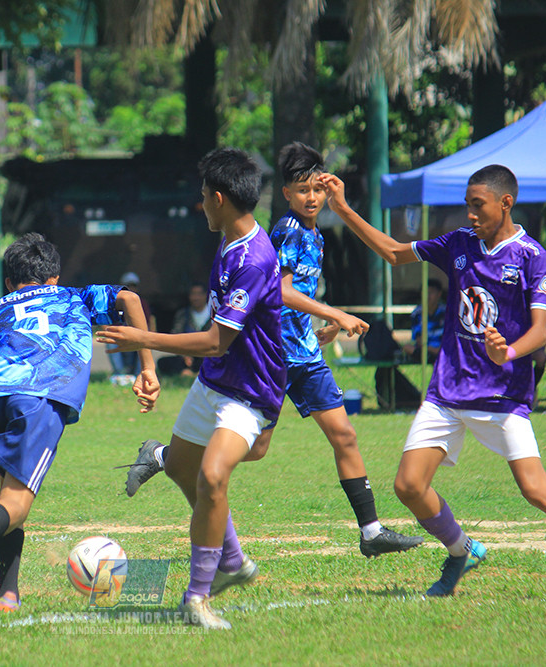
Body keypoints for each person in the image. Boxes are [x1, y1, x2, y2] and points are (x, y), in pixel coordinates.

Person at [328, 164, 546, 599]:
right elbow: (394, 252)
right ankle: (461, 550)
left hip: (502, 395)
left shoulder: (531, 256)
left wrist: (508, 352)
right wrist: (343, 208)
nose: (470, 214)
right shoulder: (459, 243)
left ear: (505, 203)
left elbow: (540, 331)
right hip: (448, 391)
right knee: (409, 485)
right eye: (467, 205)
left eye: (477, 205)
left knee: (535, 489)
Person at [123, 142, 423, 559]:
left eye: (317, 189)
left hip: (305, 353)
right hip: (272, 356)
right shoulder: (284, 232)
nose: (311, 198)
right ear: (286, 193)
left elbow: (300, 291)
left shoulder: (315, 234)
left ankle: (371, 531)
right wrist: (333, 312)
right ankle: (166, 456)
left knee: (344, 435)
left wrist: (323, 322)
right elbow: (279, 291)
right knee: (257, 449)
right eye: (302, 190)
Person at [0, 233, 159, 612]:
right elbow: (130, 300)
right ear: (54, 277)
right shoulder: (71, 296)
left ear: (9, 282)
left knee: (9, 494)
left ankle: (7, 595)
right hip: (38, 397)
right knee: (16, 505)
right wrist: (147, 367)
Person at [97, 147, 286, 630]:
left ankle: (197, 596)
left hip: (248, 391)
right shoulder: (229, 240)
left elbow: (217, 341)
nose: (200, 204)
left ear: (219, 199)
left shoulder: (253, 257)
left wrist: (144, 340)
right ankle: (233, 560)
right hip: (215, 381)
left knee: (212, 477)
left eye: (203, 197)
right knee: (182, 468)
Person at [107, 271, 155, 385]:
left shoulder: (142, 303)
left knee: (145, 342)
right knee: (110, 342)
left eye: (133, 286)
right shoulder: (114, 302)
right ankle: (120, 374)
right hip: (119, 335)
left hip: (136, 336)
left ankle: (141, 373)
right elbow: (107, 321)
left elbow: (150, 322)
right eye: (128, 286)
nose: (131, 289)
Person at [156, 283, 212, 377]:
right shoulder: (183, 314)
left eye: (199, 294)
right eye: (193, 294)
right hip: (186, 354)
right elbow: (175, 335)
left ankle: (197, 372)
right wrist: (184, 354)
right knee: (163, 362)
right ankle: (188, 372)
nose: (196, 298)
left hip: (206, 354)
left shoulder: (213, 314)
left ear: (205, 295)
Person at [404, 279, 447, 362]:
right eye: (425, 292)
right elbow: (418, 339)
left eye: (432, 292)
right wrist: (431, 349)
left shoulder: (446, 312)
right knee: (407, 347)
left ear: (439, 294)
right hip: (425, 349)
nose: (428, 295)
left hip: (442, 349)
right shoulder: (417, 313)